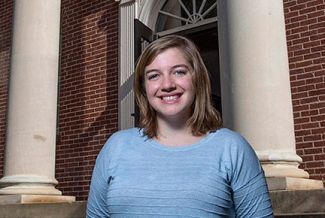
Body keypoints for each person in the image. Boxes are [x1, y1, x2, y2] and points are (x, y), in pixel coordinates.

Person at [86, 35, 274, 217]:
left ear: (196, 78)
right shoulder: (116, 147)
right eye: (154, 76)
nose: (167, 84)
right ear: (143, 87)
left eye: (179, 72)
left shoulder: (232, 148)